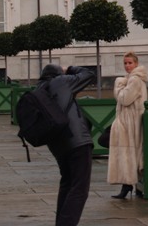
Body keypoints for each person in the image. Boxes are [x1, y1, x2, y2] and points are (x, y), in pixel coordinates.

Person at [38, 64, 96, 226]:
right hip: (77, 141)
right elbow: (89, 74)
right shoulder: (61, 82)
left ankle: (61, 223)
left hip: (57, 145)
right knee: (79, 189)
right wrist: (69, 69)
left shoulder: (40, 89)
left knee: (67, 183)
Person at [107, 51, 148, 199]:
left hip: (131, 120)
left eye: (130, 63)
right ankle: (132, 186)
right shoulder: (130, 79)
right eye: (125, 63)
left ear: (136, 63)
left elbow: (124, 99)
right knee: (131, 153)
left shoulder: (134, 80)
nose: (127, 66)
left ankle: (128, 185)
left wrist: (118, 85)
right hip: (129, 119)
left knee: (129, 153)